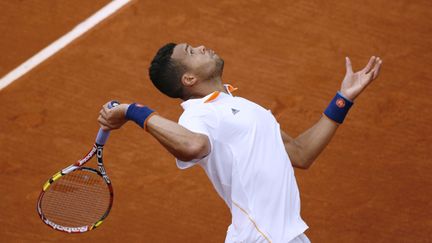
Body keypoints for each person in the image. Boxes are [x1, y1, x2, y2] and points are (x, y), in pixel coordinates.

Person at [97, 42, 382, 243]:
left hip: (283, 235)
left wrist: (343, 100)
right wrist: (132, 110)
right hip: (262, 237)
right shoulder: (199, 113)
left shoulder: (246, 107)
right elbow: (194, 146)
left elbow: (301, 153)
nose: (201, 46)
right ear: (189, 78)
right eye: (191, 52)